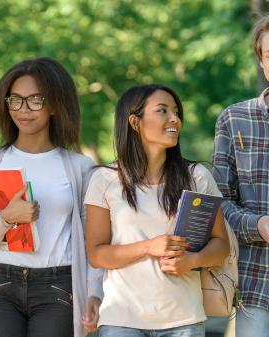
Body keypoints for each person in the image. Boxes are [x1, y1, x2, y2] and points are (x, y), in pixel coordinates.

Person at [0, 57, 103, 337]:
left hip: (58, 286)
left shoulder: (81, 168)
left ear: (54, 104)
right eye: (15, 100)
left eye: (35, 100)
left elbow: (93, 244)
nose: (23, 110)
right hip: (0, 285)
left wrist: (95, 293)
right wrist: (6, 219)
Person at [85, 84, 230, 336]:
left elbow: (221, 246)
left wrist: (192, 261)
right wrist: (148, 246)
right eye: (162, 111)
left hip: (183, 321)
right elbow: (97, 255)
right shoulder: (104, 180)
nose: (175, 118)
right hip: (122, 321)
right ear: (134, 121)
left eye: (176, 112)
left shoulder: (196, 176)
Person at [212, 15, 269, 336]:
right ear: (262, 62)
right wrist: (258, 225)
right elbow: (218, 202)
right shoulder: (234, 119)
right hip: (254, 281)